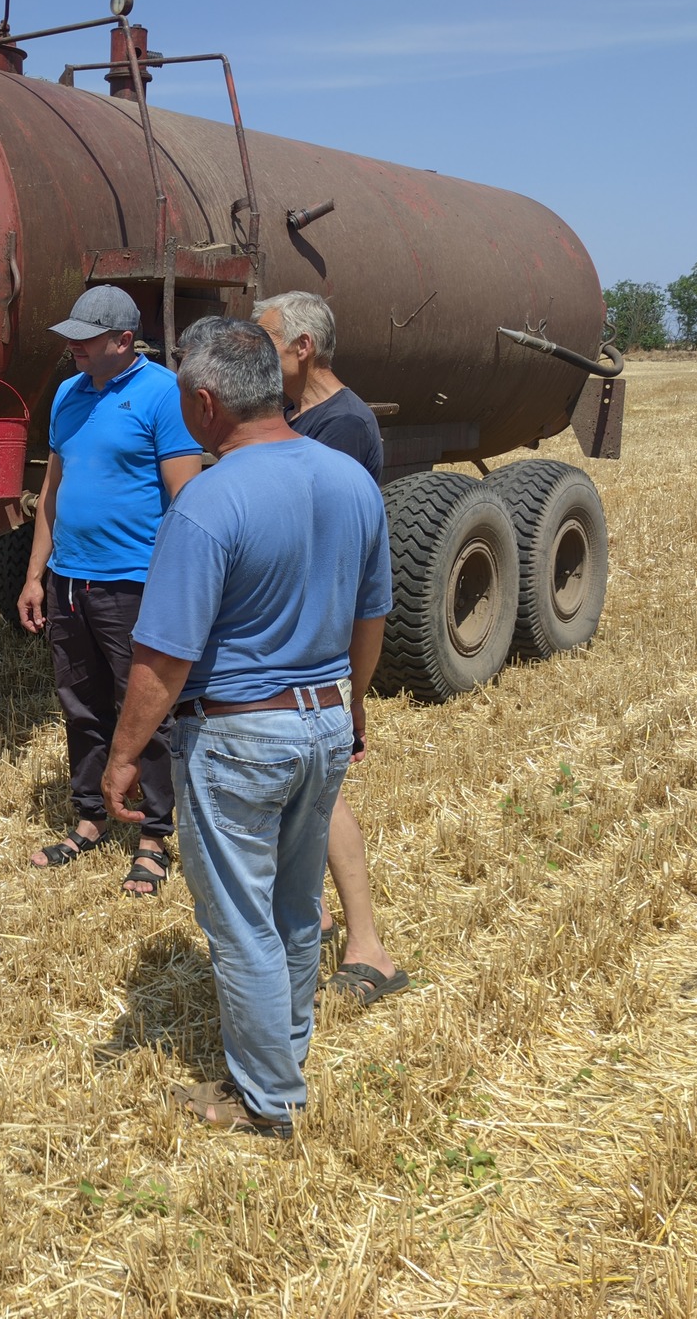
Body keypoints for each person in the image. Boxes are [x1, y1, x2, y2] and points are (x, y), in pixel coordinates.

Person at [101, 317, 392, 1136]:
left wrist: (124, 757)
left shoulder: (207, 502)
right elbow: (370, 616)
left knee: (241, 927)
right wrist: (354, 703)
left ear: (202, 402)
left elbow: (163, 660)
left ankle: (266, 1101)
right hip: (324, 720)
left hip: (239, 738)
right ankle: (282, 1061)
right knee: (298, 911)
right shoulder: (349, 480)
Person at [18, 285, 203, 894]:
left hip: (134, 583)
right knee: (81, 702)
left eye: (85, 337)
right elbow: (51, 494)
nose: (72, 346)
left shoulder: (161, 396)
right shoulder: (69, 395)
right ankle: (90, 818)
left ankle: (154, 835)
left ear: (124, 340)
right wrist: (35, 576)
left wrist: (178, 585)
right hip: (70, 579)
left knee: (144, 707)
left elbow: (186, 498)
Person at [253, 290, 405, 1007]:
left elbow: (322, 537)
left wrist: (355, 688)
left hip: (315, 636)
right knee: (311, 790)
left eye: (266, 341)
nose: (258, 355)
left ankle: (368, 947)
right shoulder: (293, 417)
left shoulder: (343, 427)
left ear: (302, 347)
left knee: (323, 790)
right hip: (293, 630)